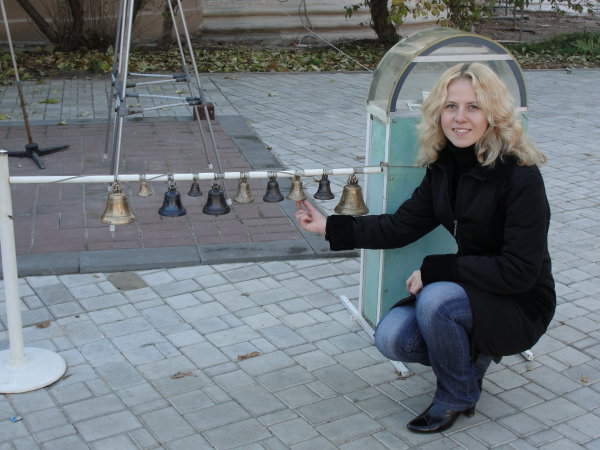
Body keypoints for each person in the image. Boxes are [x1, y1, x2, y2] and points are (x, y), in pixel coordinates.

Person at [295, 62, 555, 434]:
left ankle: (456, 395)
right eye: (451, 106)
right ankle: (470, 363)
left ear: (493, 114)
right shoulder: (443, 168)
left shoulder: (520, 176)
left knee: (436, 299)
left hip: (520, 301)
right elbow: (399, 226)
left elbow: (519, 271)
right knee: (392, 338)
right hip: (475, 288)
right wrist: (328, 225)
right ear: (438, 112)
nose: (460, 118)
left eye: (473, 107)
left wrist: (438, 269)